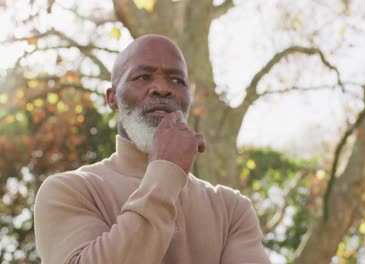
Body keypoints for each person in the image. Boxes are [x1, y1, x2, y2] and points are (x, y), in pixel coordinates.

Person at [34, 35, 270, 264]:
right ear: (112, 98)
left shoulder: (231, 208)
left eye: (177, 80)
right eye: (143, 77)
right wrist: (165, 172)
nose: (162, 89)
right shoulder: (70, 190)